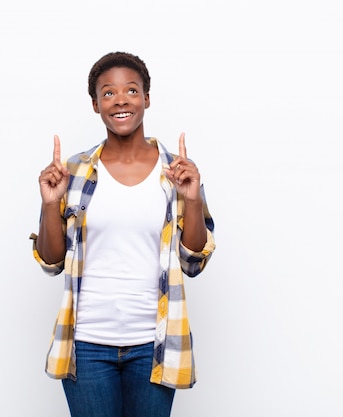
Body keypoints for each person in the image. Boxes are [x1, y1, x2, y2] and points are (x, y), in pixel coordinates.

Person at [30, 51, 216, 417]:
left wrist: (191, 199)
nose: (121, 100)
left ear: (146, 98)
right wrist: (52, 204)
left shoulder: (176, 173)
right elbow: (52, 261)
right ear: (96, 104)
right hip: (86, 344)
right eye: (108, 93)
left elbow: (193, 262)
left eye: (131, 90)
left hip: (155, 345)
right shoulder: (74, 172)